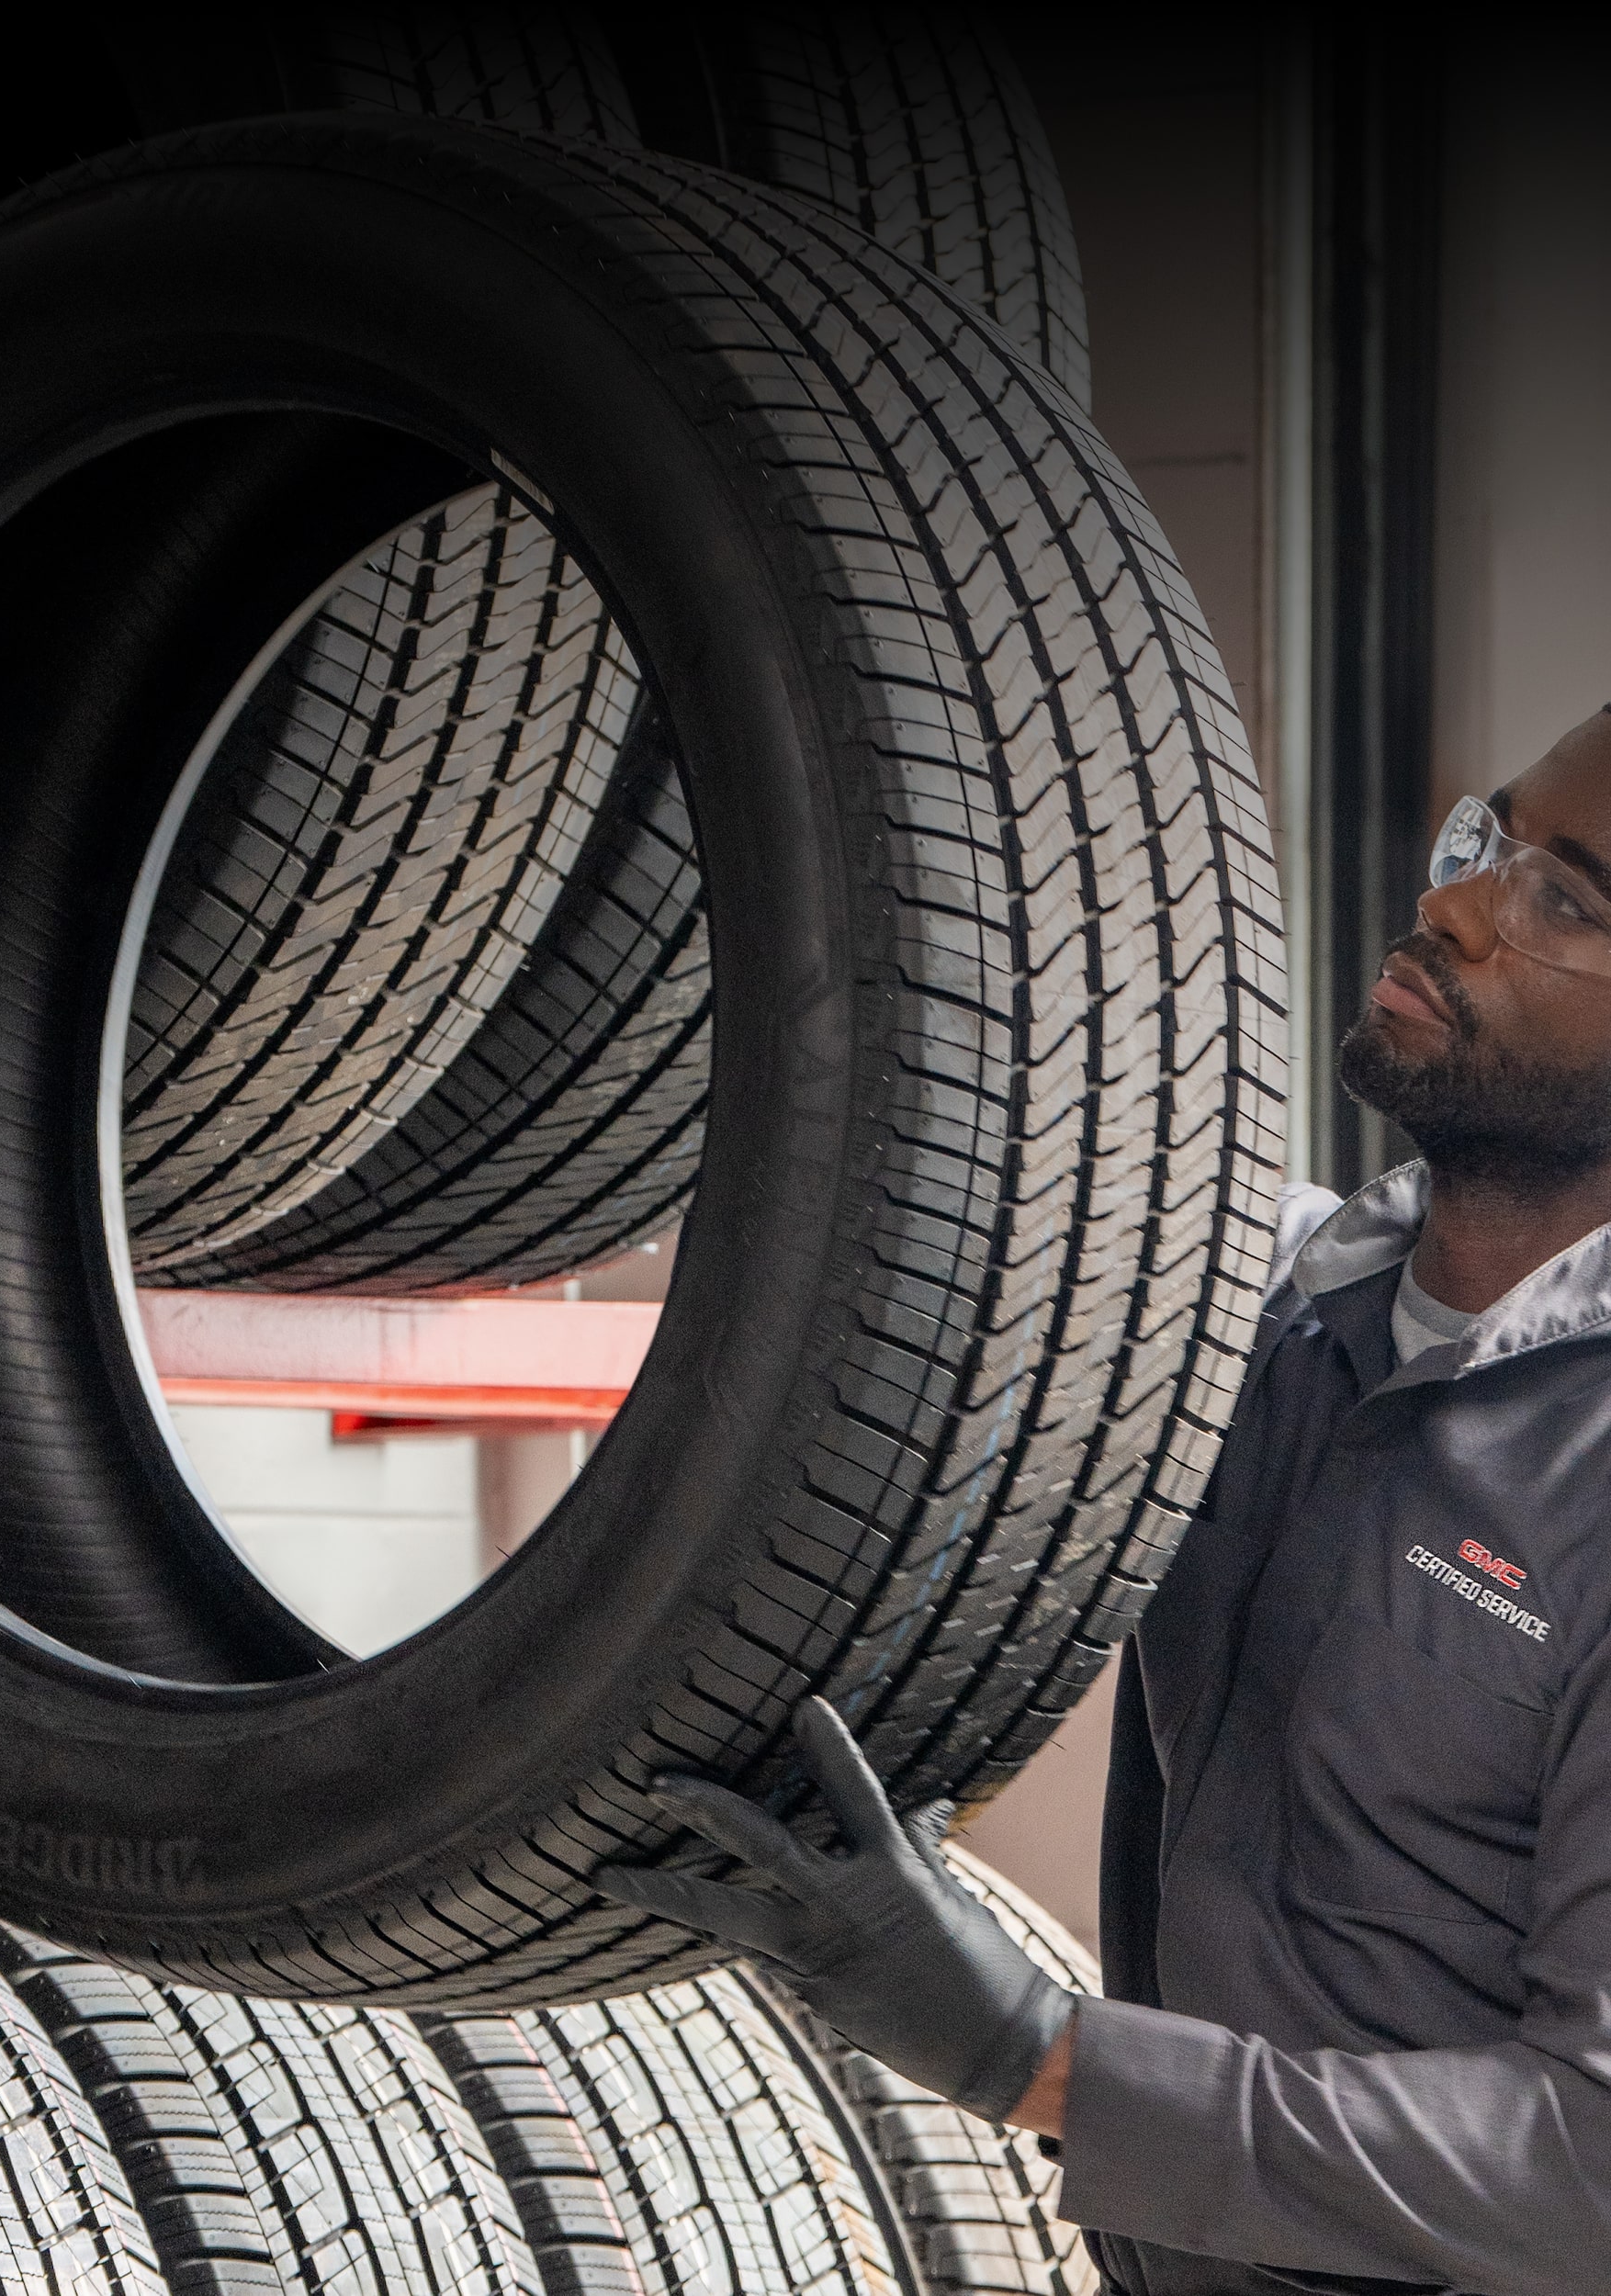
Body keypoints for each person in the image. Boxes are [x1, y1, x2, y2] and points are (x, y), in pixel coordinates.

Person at [598, 706, 1611, 2295]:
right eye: (1483, 844)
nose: (1457, 905)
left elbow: (1586, 2175)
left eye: (1567, 900)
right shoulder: (1246, 1310)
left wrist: (1037, 2056)